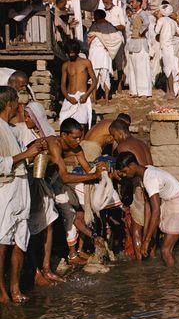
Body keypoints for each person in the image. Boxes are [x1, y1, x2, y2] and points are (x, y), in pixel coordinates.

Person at [0, 86, 44, 303]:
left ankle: (15, 288)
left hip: (21, 187)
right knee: (3, 240)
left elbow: (16, 157)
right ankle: (2, 291)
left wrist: (32, 150)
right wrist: (26, 154)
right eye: (17, 102)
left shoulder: (10, 128)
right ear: (9, 104)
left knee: (20, 239)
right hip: (6, 189)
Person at [15, 101, 66, 285]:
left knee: (49, 223)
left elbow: (58, 160)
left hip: (43, 184)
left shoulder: (49, 134)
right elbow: (19, 153)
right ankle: (35, 270)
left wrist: (46, 154)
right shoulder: (20, 130)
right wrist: (33, 147)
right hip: (27, 183)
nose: (26, 119)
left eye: (30, 116)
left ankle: (47, 267)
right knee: (30, 228)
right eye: (26, 116)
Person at [45, 118, 107, 265]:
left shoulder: (77, 147)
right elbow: (65, 177)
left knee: (80, 206)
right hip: (43, 180)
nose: (78, 141)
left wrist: (101, 172)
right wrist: (93, 175)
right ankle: (72, 255)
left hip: (56, 178)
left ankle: (77, 251)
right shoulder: (55, 144)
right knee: (69, 213)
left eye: (80, 137)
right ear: (64, 135)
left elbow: (87, 168)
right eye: (74, 137)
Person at [115, 152, 179, 266]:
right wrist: (146, 237)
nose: (125, 175)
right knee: (167, 249)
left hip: (177, 206)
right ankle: (171, 277)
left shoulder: (149, 179)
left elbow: (156, 211)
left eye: (125, 171)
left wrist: (146, 241)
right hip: (172, 203)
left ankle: (170, 280)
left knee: (165, 250)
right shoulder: (146, 170)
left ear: (132, 165)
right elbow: (148, 207)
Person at [109, 119, 153, 261]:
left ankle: (140, 263)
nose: (113, 139)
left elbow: (127, 173)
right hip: (151, 182)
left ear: (119, 132)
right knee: (150, 223)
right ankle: (151, 257)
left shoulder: (123, 146)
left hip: (139, 186)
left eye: (114, 135)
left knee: (136, 226)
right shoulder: (142, 143)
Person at [88, 9, 123, 105]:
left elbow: (88, 40)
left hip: (97, 53)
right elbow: (119, 39)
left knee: (96, 76)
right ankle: (105, 99)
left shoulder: (94, 27)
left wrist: (108, 46)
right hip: (101, 54)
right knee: (103, 76)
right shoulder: (109, 26)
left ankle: (96, 99)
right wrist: (110, 47)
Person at [60, 40, 97, 130]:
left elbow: (94, 81)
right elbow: (63, 85)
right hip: (70, 97)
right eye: (69, 52)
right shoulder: (65, 65)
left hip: (82, 97)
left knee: (81, 125)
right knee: (64, 123)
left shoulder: (86, 62)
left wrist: (86, 95)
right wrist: (68, 98)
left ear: (77, 51)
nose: (71, 54)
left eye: (73, 52)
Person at [155, 4, 179, 100]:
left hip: (165, 47)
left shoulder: (161, 20)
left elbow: (156, 30)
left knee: (168, 69)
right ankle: (169, 91)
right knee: (169, 68)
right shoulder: (173, 22)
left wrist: (157, 20)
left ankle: (171, 92)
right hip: (171, 47)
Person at [128, 0, 152, 98]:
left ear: (138, 3)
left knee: (142, 68)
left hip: (141, 42)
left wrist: (141, 32)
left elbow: (146, 23)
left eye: (133, 2)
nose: (131, 4)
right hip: (133, 42)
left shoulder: (142, 13)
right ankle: (134, 90)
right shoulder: (133, 15)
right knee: (133, 68)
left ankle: (144, 92)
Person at [102, 0, 127, 93]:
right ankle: (109, 87)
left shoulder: (118, 10)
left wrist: (112, 27)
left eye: (107, 1)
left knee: (119, 64)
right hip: (107, 41)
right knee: (107, 63)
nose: (105, 3)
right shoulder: (103, 11)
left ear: (111, 1)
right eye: (104, 2)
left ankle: (120, 84)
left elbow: (123, 26)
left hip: (118, 41)